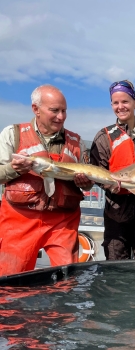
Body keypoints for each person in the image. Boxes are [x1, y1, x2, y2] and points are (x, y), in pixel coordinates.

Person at [0, 84, 93, 276]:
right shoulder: (12, 134)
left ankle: (61, 306)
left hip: (63, 221)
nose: (61, 117)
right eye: (54, 110)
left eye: (64, 111)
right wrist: (13, 169)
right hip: (19, 220)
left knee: (66, 282)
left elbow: (89, 181)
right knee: (11, 281)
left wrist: (86, 183)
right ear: (36, 109)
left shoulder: (76, 142)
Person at [90, 80, 135, 260]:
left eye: (125, 102)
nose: (120, 106)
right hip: (116, 216)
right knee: (116, 271)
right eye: (116, 102)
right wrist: (110, 186)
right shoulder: (103, 137)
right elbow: (98, 172)